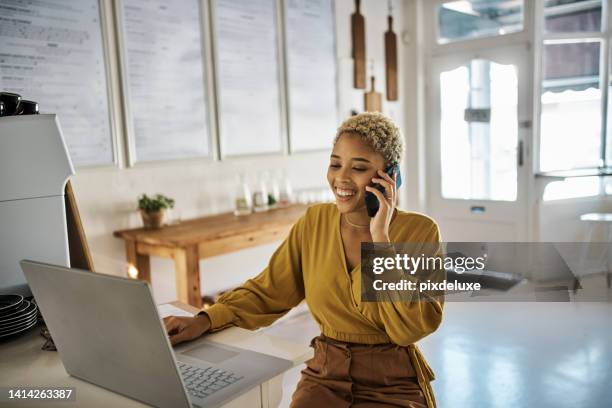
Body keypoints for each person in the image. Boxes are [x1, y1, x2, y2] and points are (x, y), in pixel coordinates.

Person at [164, 112, 444, 407]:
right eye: (335, 164)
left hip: (392, 383)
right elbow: (268, 292)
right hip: (324, 376)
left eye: (359, 168)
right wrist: (204, 320)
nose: (341, 178)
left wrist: (381, 240)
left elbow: (410, 328)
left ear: (391, 175)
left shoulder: (420, 231)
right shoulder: (314, 221)